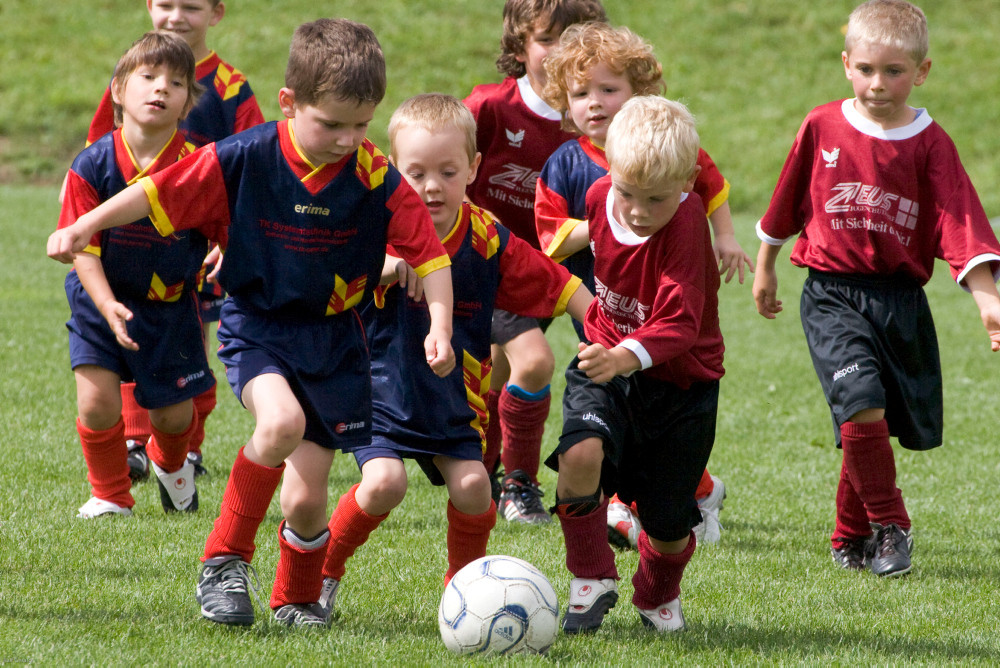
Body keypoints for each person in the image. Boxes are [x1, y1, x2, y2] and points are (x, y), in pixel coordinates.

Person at [47, 19, 456, 627]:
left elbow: (430, 255)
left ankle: (294, 598)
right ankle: (224, 562)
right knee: (281, 422)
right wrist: (87, 226)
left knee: (307, 497)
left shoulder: (373, 176)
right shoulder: (246, 156)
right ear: (289, 103)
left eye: (360, 125)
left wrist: (440, 326)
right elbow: (156, 192)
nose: (348, 139)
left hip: (337, 342)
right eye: (332, 123)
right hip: (258, 324)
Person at [315, 94, 593, 611]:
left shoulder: (486, 239)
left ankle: (463, 594)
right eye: (415, 172)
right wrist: (390, 268)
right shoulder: (378, 227)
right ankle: (322, 571)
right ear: (393, 170)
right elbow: (332, 267)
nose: (431, 186)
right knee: (384, 483)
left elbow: (555, 282)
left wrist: (603, 325)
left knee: (472, 488)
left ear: (474, 169)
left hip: (453, 401)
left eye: (447, 171)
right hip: (377, 395)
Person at [752, 0, 1000, 578]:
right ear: (845, 64)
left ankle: (849, 536)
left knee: (868, 421)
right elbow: (788, 200)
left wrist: (987, 297)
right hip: (831, 292)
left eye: (894, 71)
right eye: (865, 69)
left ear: (922, 72)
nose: (878, 83)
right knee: (860, 400)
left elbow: (959, 220)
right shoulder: (822, 125)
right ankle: (893, 525)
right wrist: (766, 265)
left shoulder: (930, 142)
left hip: (899, 300)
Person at [536, 21, 749, 547]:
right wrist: (609, 224)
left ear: (639, 93)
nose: (595, 103)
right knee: (604, 428)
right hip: (602, 305)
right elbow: (550, 240)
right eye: (581, 93)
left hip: (661, 325)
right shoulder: (573, 170)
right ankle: (599, 552)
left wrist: (723, 237)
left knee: (655, 439)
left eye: (609, 90)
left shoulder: (670, 155)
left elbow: (710, 182)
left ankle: (683, 498)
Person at [546, 96, 724, 634]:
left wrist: (626, 356)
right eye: (628, 192)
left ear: (689, 182)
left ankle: (655, 593)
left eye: (656, 199)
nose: (639, 210)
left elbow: (680, 322)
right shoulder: (601, 196)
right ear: (610, 172)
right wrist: (612, 355)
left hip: (680, 384)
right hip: (603, 358)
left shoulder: (688, 224)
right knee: (578, 452)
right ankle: (591, 576)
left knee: (667, 521)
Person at [83, 0, 265, 482]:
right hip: (131, 241)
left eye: (191, 6)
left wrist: (231, 231)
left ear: (216, 12)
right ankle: (135, 444)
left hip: (198, 245)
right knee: (132, 335)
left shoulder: (229, 86)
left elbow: (252, 163)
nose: (177, 16)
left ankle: (188, 450)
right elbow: (98, 147)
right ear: (149, 6)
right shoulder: (132, 72)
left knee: (189, 348)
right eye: (166, 4)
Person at [463, 0, 607, 526]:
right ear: (521, 44)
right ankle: (518, 487)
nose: (561, 52)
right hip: (496, 265)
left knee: (506, 377)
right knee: (532, 362)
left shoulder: (596, 116)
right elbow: (435, 171)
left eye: (576, 39)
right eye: (548, 39)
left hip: (570, 268)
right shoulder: (488, 109)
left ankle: (688, 486)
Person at [58, 31, 212, 518]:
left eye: (176, 82)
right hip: (100, 298)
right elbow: (83, 249)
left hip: (170, 306)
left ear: (188, 101)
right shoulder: (93, 164)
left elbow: (227, 220)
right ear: (119, 91)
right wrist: (105, 304)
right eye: (147, 77)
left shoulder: (202, 163)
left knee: (173, 415)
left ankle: (170, 465)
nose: (160, 88)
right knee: (97, 402)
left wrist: (228, 249)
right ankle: (110, 495)